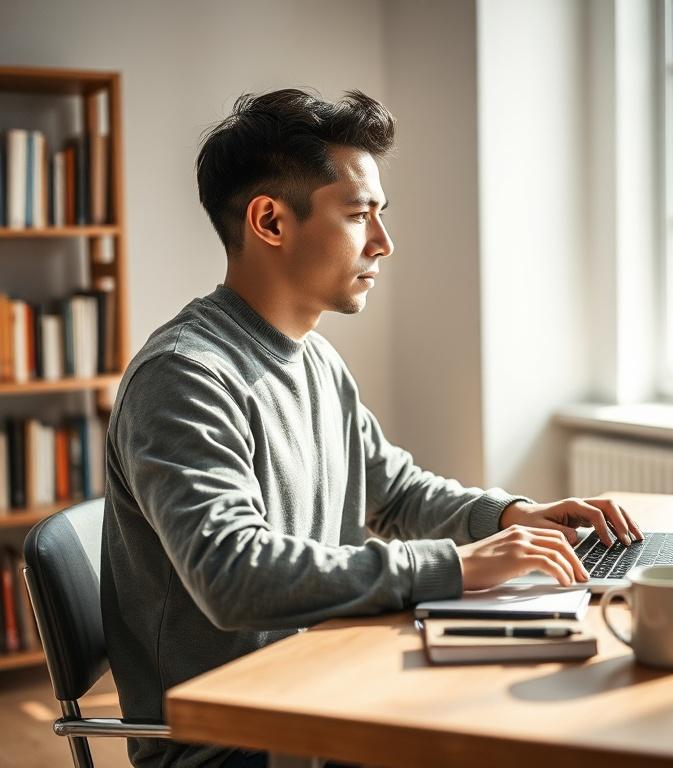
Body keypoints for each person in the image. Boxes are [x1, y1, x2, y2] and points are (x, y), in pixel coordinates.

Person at [100, 88, 643, 768]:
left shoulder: (315, 358)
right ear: (270, 221)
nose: (384, 244)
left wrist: (511, 517)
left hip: (321, 688)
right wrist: (456, 567)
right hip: (239, 743)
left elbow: (397, 493)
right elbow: (233, 575)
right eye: (360, 215)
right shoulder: (184, 377)